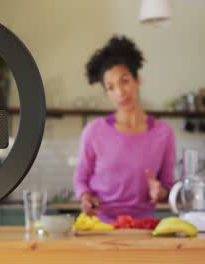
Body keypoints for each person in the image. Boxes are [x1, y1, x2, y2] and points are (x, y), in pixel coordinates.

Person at [73, 35, 176, 223]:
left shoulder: (164, 133)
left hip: (143, 225)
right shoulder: (94, 131)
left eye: (125, 81)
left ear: (138, 80)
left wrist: (160, 191)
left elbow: (168, 185)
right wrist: (85, 197)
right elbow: (81, 179)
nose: (120, 92)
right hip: (101, 225)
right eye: (110, 87)